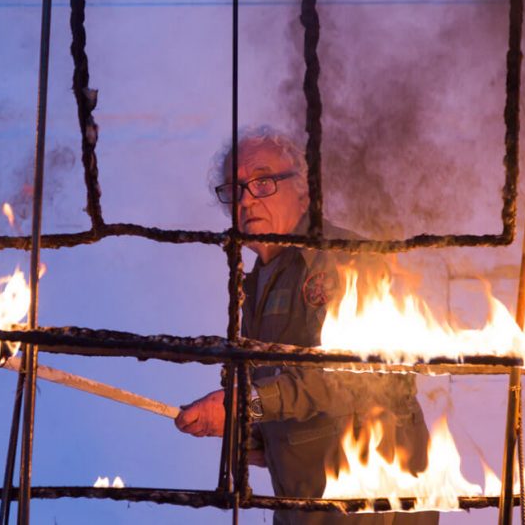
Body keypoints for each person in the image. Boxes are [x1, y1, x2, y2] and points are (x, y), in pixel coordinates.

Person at [175, 127, 438, 525]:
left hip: (368, 505)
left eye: (263, 182)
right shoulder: (259, 277)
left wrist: (246, 405)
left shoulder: (343, 259)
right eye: (234, 189)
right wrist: (253, 435)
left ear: (303, 189)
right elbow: (283, 380)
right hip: (304, 506)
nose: (246, 199)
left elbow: (358, 377)